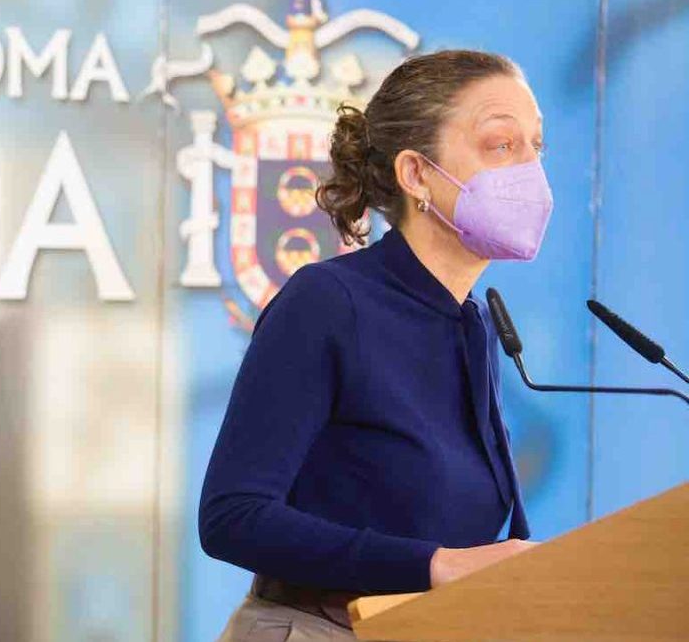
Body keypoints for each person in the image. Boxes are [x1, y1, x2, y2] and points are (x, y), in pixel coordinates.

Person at [200, 49, 551, 641]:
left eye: (536, 148)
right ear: (416, 174)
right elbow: (232, 517)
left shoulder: (472, 324)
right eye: (501, 145)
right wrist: (437, 565)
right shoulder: (328, 302)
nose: (530, 172)